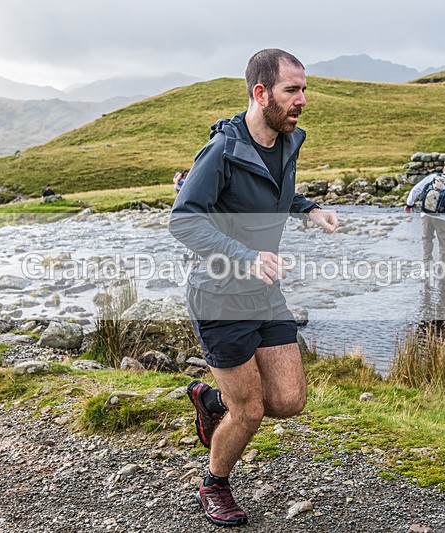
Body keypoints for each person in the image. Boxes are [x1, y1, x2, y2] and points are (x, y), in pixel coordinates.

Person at [169, 48, 338, 527]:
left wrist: (308, 209)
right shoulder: (221, 151)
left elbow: (274, 188)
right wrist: (245, 256)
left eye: (304, 89)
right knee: (250, 412)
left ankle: (211, 400)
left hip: (265, 293)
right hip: (219, 295)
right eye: (292, 90)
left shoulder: (288, 139)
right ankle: (213, 484)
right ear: (261, 93)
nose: (302, 99)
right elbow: (183, 220)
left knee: (288, 401)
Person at [405, 160, 445, 275]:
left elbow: (416, 189)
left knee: (426, 240)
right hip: (443, 217)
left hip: (426, 214)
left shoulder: (433, 177)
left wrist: (409, 204)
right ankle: (442, 273)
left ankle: (427, 269)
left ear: (444, 169)